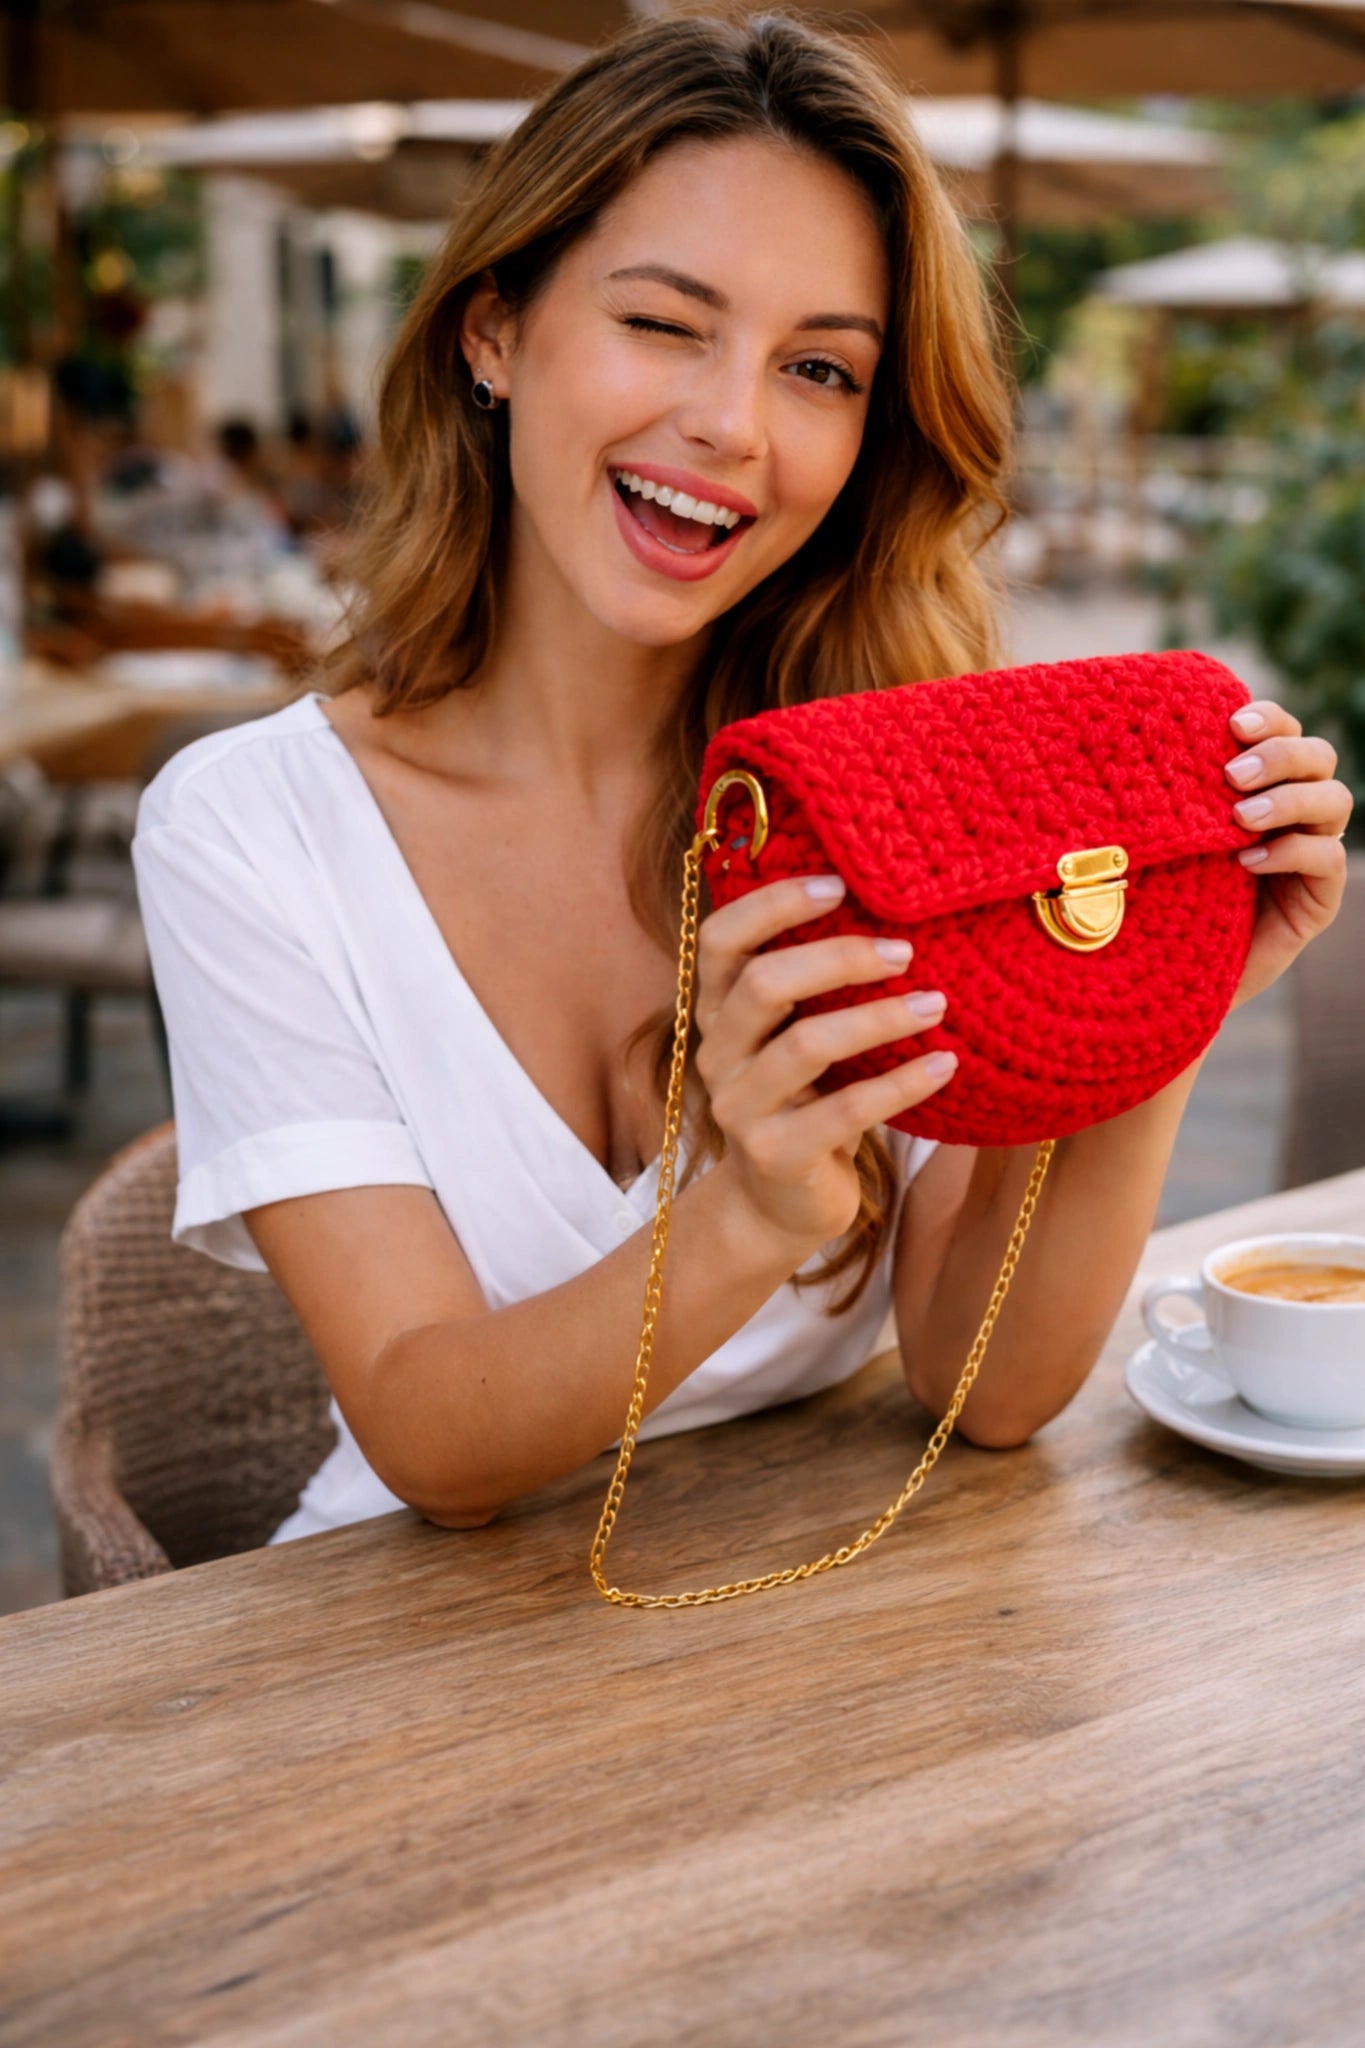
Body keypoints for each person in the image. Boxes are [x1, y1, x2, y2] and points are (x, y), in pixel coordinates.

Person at [131, 13, 1353, 1546]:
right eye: (662, 323)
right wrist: (748, 1215)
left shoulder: (903, 787)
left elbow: (986, 1385)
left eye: (819, 369)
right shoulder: (250, 826)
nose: (730, 426)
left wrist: (1156, 979)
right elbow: (428, 1437)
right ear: (491, 332)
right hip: (402, 1641)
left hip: (811, 1615)